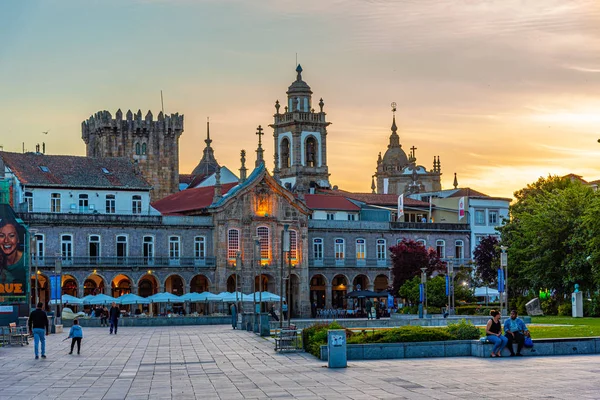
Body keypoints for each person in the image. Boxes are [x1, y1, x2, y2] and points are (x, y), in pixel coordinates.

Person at [0, 216, 26, 286]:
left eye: (11, 236)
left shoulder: (26, 260)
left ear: (18, 239)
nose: (6, 240)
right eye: (2, 236)